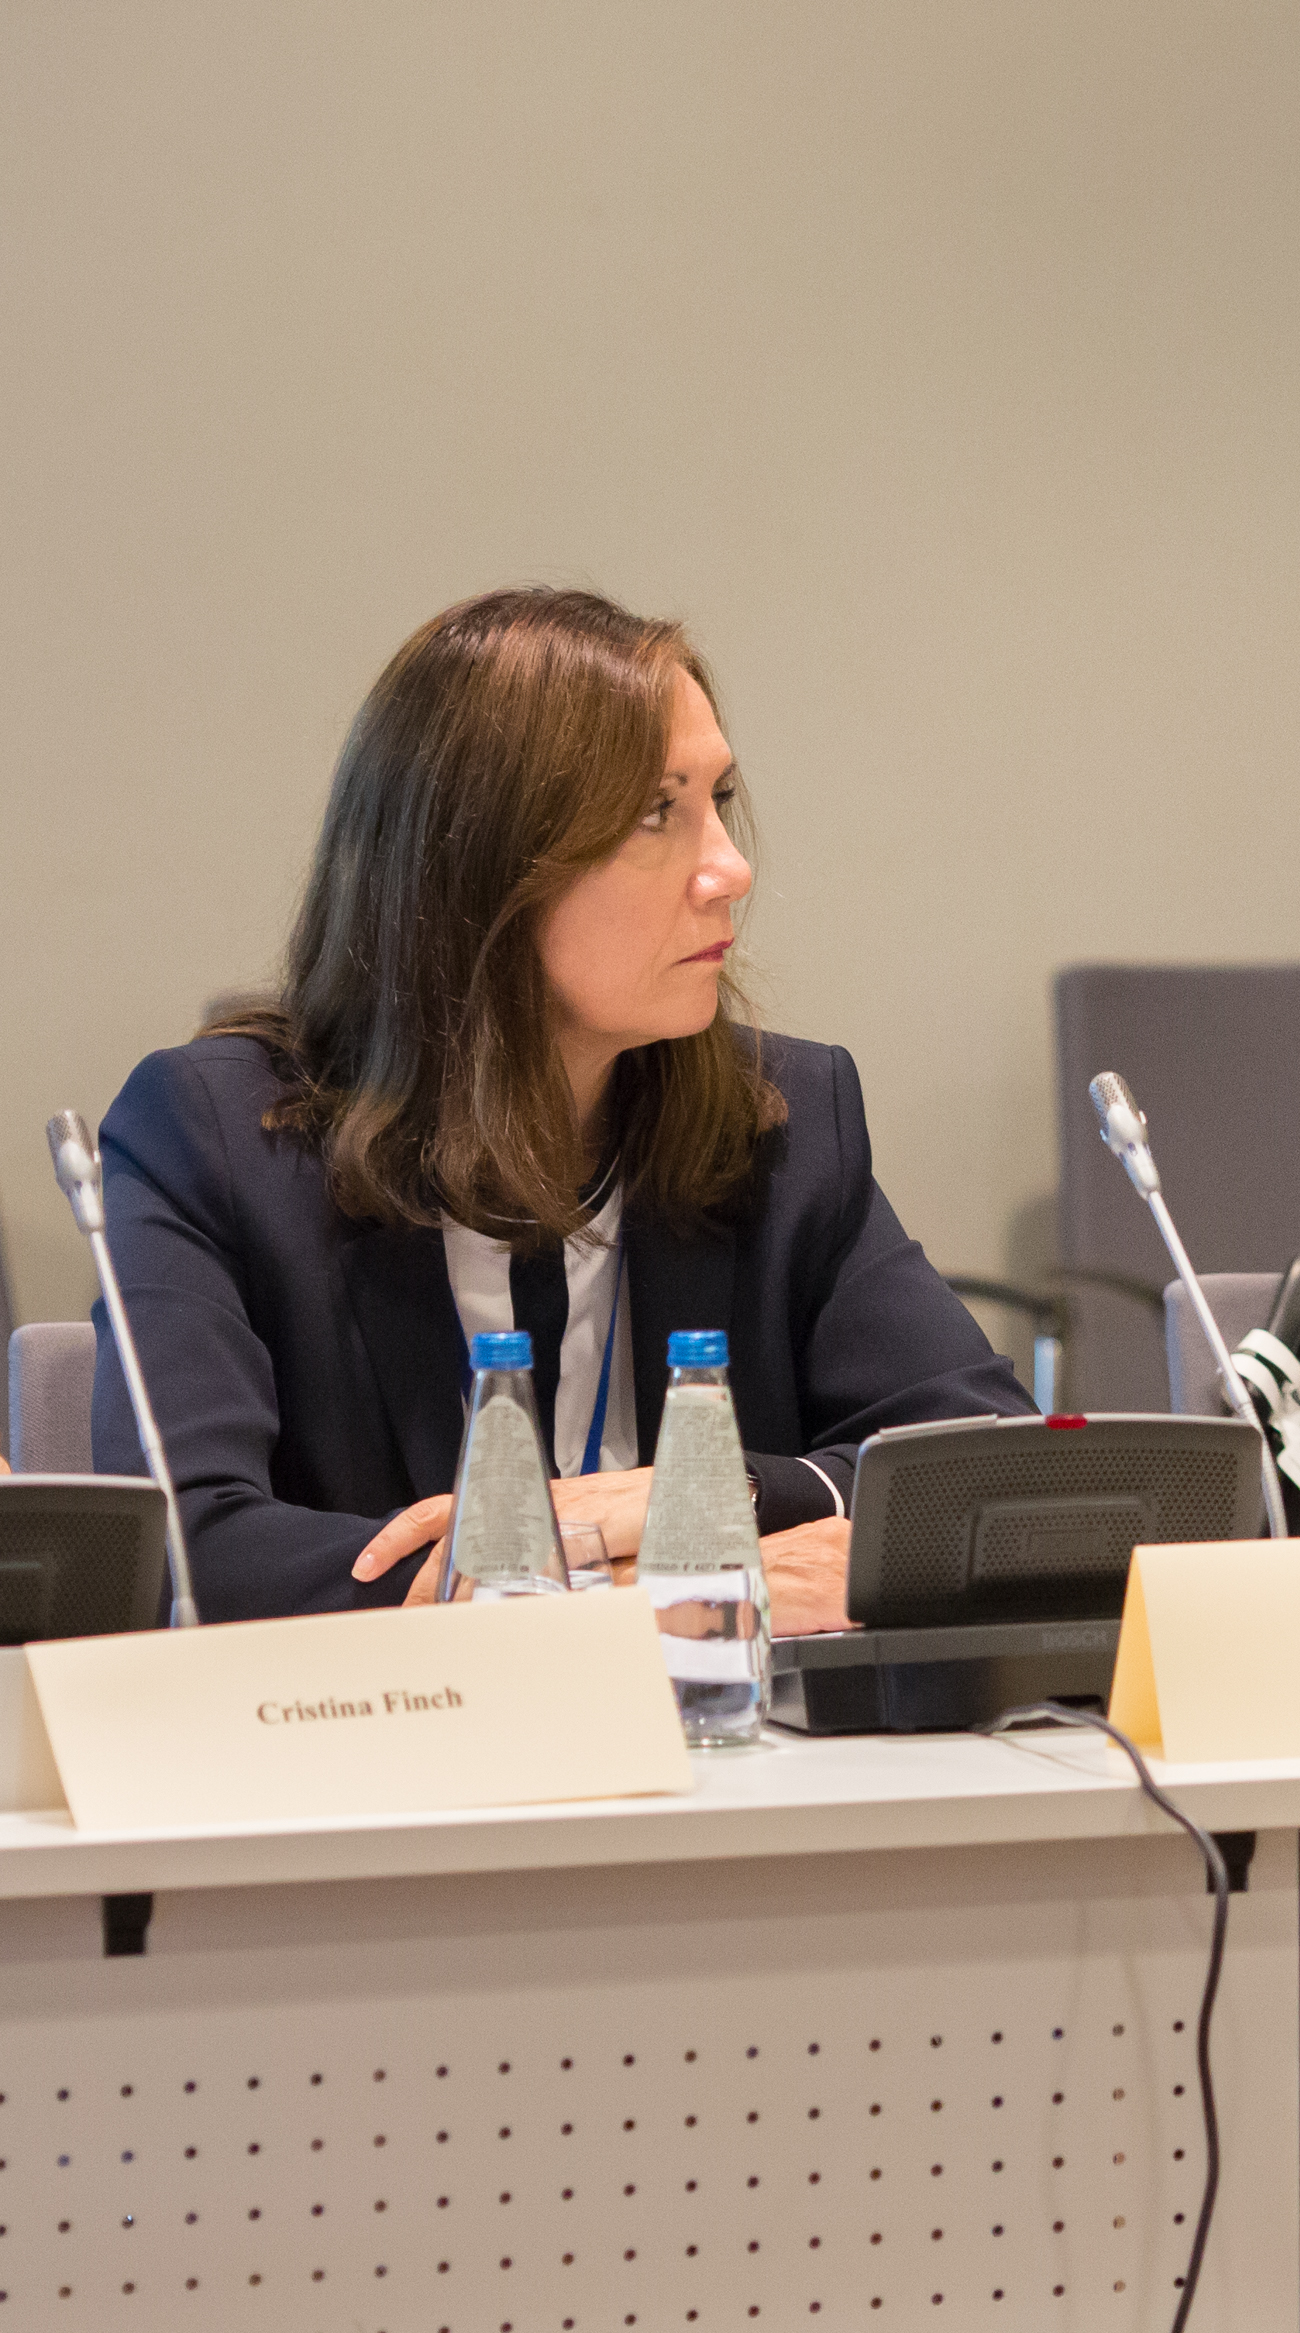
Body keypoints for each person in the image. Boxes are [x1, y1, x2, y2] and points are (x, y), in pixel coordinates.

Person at [94, 587, 1035, 1624]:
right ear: (483, 868)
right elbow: (185, 1544)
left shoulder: (783, 1118)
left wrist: (709, 1498)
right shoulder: (213, 1137)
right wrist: (600, 1587)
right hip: (397, 1724)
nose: (730, 869)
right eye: (656, 812)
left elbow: (995, 1465)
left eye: (718, 800)